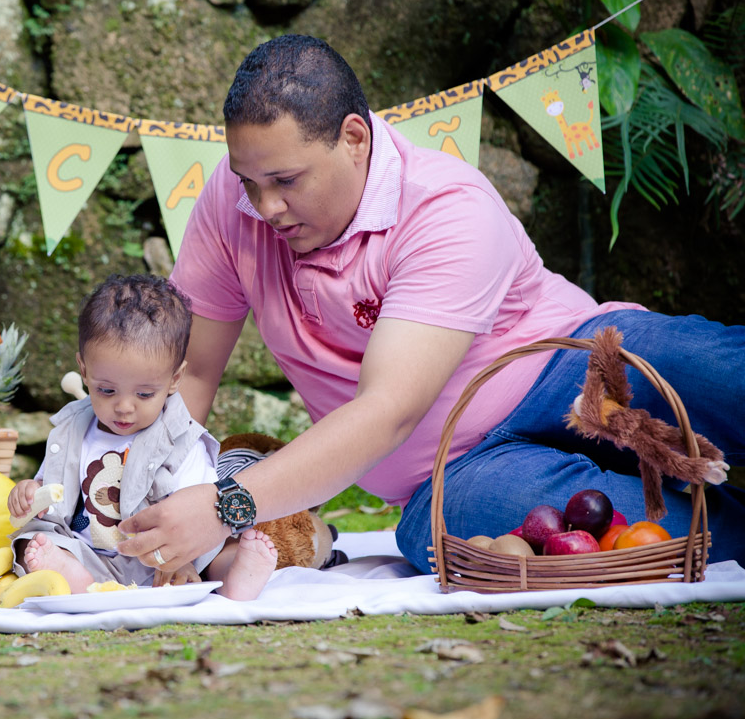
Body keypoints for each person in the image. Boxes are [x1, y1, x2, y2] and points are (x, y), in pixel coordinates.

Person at [115, 34, 744, 576]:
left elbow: (388, 408)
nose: (264, 205)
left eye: (285, 181)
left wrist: (226, 504)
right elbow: (191, 371)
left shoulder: (446, 204)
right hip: (456, 474)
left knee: (715, 373)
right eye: (249, 181)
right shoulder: (233, 204)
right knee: (594, 536)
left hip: (572, 363)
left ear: (354, 138)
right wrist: (126, 488)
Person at [8, 273, 278, 599]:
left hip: (164, 558)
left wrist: (185, 558)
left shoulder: (181, 440)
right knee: (31, 544)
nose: (123, 407)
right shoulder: (72, 429)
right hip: (92, 555)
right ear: (84, 371)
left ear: (174, 379)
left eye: (145, 394)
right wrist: (29, 493)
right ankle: (70, 576)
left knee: (216, 552)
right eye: (106, 390)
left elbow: (197, 510)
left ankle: (237, 576)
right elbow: (51, 489)